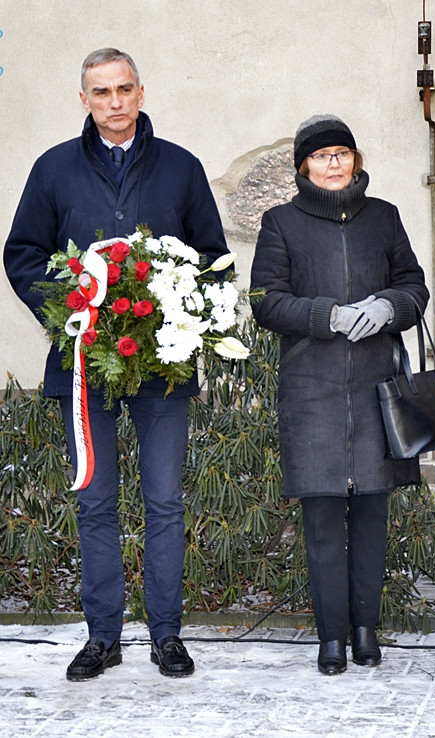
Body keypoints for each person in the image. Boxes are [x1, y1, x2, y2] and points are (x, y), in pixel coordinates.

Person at [3, 48, 229, 680]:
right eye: (101, 92)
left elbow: (213, 258)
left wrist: (179, 308)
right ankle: (102, 636)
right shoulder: (53, 169)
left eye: (124, 88)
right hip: (84, 366)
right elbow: (22, 253)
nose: (115, 101)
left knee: (164, 502)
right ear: (84, 99)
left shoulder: (181, 168)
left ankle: (167, 636)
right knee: (96, 502)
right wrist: (64, 308)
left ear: (140, 90)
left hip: (162, 368)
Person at [250, 114, 428, 675]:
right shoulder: (280, 223)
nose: (333, 162)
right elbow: (266, 300)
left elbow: (414, 287)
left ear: (355, 158)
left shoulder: (385, 218)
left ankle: (365, 631)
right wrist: (326, 315)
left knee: (373, 512)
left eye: (342, 153)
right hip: (313, 389)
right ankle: (331, 638)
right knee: (324, 516)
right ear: (303, 165)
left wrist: (386, 308)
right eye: (322, 155)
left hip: (378, 385)